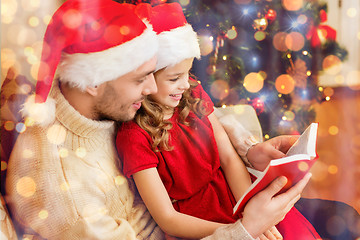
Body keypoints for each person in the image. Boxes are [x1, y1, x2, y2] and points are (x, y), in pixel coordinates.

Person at [4, 0, 310, 239]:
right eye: (140, 79)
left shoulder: (102, 102)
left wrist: (249, 149)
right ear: (93, 82)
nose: (152, 89)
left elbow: (188, 121)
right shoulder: (66, 196)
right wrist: (246, 228)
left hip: (222, 212)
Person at [116, 3, 319, 240]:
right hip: (197, 222)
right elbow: (168, 220)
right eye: (174, 78)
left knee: (291, 231)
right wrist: (241, 229)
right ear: (146, 76)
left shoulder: (193, 93)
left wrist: (250, 212)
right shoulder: (133, 136)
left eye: (187, 73)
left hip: (235, 193)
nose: (185, 84)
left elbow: (229, 158)